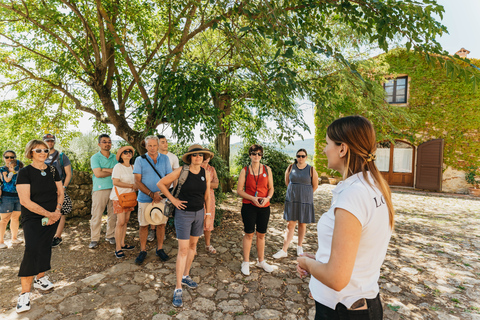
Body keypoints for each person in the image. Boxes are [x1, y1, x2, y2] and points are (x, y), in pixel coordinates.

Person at [297, 116, 395, 320]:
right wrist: (322, 260)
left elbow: (336, 277)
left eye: (327, 143)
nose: (324, 150)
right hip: (363, 305)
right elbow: (357, 252)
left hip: (343, 311)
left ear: (342, 149)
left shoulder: (354, 194)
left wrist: (306, 264)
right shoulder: (375, 186)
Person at [158, 144, 213, 308]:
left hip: (199, 214)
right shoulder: (182, 171)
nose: (198, 157)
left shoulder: (206, 173)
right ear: (190, 157)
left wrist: (208, 215)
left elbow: (207, 196)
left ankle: (186, 275)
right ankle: (178, 288)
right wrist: (173, 200)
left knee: (193, 246)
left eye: (201, 155)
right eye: (195, 155)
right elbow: (161, 184)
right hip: (183, 215)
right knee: (182, 250)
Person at [15, 139, 64, 313]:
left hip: (52, 216)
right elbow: (24, 201)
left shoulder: (52, 170)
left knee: (45, 246)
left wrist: (57, 211)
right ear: (30, 152)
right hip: (33, 218)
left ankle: (40, 278)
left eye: (45, 150)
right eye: (38, 150)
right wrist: (49, 214)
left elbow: (61, 191)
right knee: (32, 249)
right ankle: (24, 295)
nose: (43, 153)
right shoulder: (25, 173)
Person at [133, 135, 172, 265]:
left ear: (158, 145)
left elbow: (169, 178)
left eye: (155, 145)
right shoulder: (140, 160)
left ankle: (159, 249)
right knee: (144, 225)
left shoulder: (165, 159)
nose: (152, 148)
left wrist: (159, 194)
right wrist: (151, 194)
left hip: (161, 198)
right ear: (145, 146)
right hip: (144, 198)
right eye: (149, 145)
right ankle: (143, 250)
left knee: (161, 224)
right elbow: (137, 181)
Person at [273, 149, 318, 259]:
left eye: (303, 156)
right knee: (290, 224)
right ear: (296, 156)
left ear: (306, 157)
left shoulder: (311, 169)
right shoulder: (290, 167)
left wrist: (305, 195)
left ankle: (299, 246)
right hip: (292, 199)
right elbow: (287, 183)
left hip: (305, 200)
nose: (300, 158)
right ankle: (284, 250)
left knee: (302, 223)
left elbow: (315, 185)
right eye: (298, 156)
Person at [236, 144, 274, 276]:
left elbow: (271, 188)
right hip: (249, 206)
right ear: (250, 155)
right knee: (249, 234)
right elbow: (239, 190)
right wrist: (253, 198)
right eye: (253, 153)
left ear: (261, 155)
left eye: (259, 154)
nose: (256, 156)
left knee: (261, 234)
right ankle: (245, 262)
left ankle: (261, 261)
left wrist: (267, 198)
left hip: (264, 206)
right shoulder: (245, 171)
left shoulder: (267, 169)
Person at [147, 135, 180, 242]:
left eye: (166, 142)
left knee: (164, 211)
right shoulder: (152, 156)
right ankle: (152, 231)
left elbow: (175, 176)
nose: (165, 144)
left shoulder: (173, 157)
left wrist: (175, 191)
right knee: (152, 209)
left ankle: (162, 231)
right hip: (153, 189)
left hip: (167, 189)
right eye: (162, 142)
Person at [43, 134, 73, 247]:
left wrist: (63, 188)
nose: (50, 143)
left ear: (54, 142)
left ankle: (57, 237)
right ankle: (46, 236)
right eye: (47, 141)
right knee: (44, 212)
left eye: (51, 141)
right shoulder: (40, 155)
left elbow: (68, 174)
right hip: (44, 190)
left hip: (59, 188)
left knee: (60, 212)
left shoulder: (61, 156)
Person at [89, 134, 118, 249]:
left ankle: (110, 235)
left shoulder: (115, 157)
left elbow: (117, 173)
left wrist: (104, 169)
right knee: (97, 215)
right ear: (99, 144)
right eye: (104, 141)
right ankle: (94, 238)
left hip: (114, 188)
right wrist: (111, 171)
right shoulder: (95, 157)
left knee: (113, 214)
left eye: (109, 141)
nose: (107, 143)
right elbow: (98, 174)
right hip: (99, 189)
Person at [110, 146, 137, 258]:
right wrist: (131, 185)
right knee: (120, 222)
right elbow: (115, 182)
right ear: (121, 155)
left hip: (129, 198)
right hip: (119, 197)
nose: (128, 153)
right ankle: (117, 248)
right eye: (125, 152)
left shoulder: (133, 167)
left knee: (125, 221)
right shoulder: (118, 167)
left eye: (129, 152)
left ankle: (122, 243)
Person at [0, 150, 24, 248]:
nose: (9, 159)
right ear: (3, 158)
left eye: (12, 157)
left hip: (18, 196)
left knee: (15, 218)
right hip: (6, 197)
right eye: (7, 157)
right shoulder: (2, 170)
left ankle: (14, 238)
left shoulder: (19, 169)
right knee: (4, 220)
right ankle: (1, 241)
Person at [201, 153, 218, 254]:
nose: (206, 158)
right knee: (196, 219)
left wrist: (204, 184)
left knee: (209, 219)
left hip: (210, 197)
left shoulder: (212, 169)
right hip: (198, 197)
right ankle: (192, 246)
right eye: (204, 156)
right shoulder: (196, 168)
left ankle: (207, 245)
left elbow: (216, 184)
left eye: (208, 156)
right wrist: (209, 184)